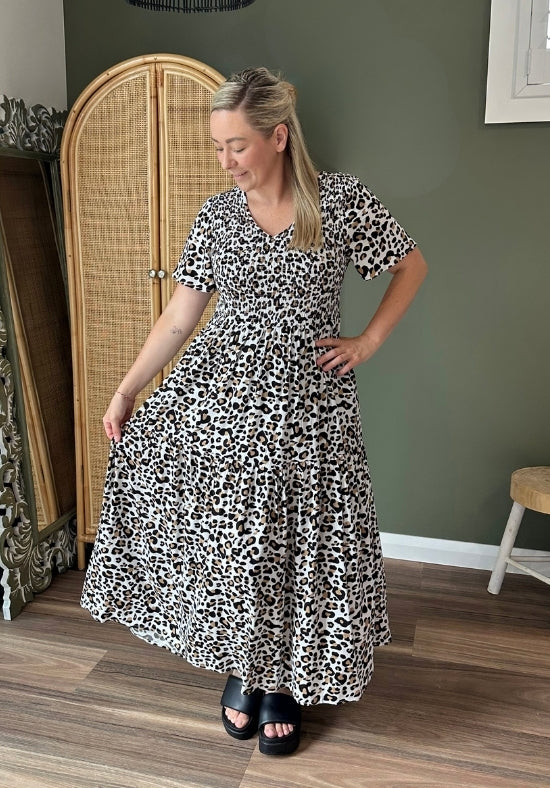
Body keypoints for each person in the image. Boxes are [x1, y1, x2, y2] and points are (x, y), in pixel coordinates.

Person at [81, 66, 428, 757]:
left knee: (297, 545)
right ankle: (248, 667)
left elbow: (410, 265)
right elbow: (181, 317)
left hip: (309, 410)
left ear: (276, 137)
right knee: (240, 545)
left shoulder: (340, 202)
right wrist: (126, 389)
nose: (225, 161)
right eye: (217, 146)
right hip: (221, 405)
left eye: (236, 145)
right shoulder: (215, 216)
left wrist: (368, 340)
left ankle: (285, 685)